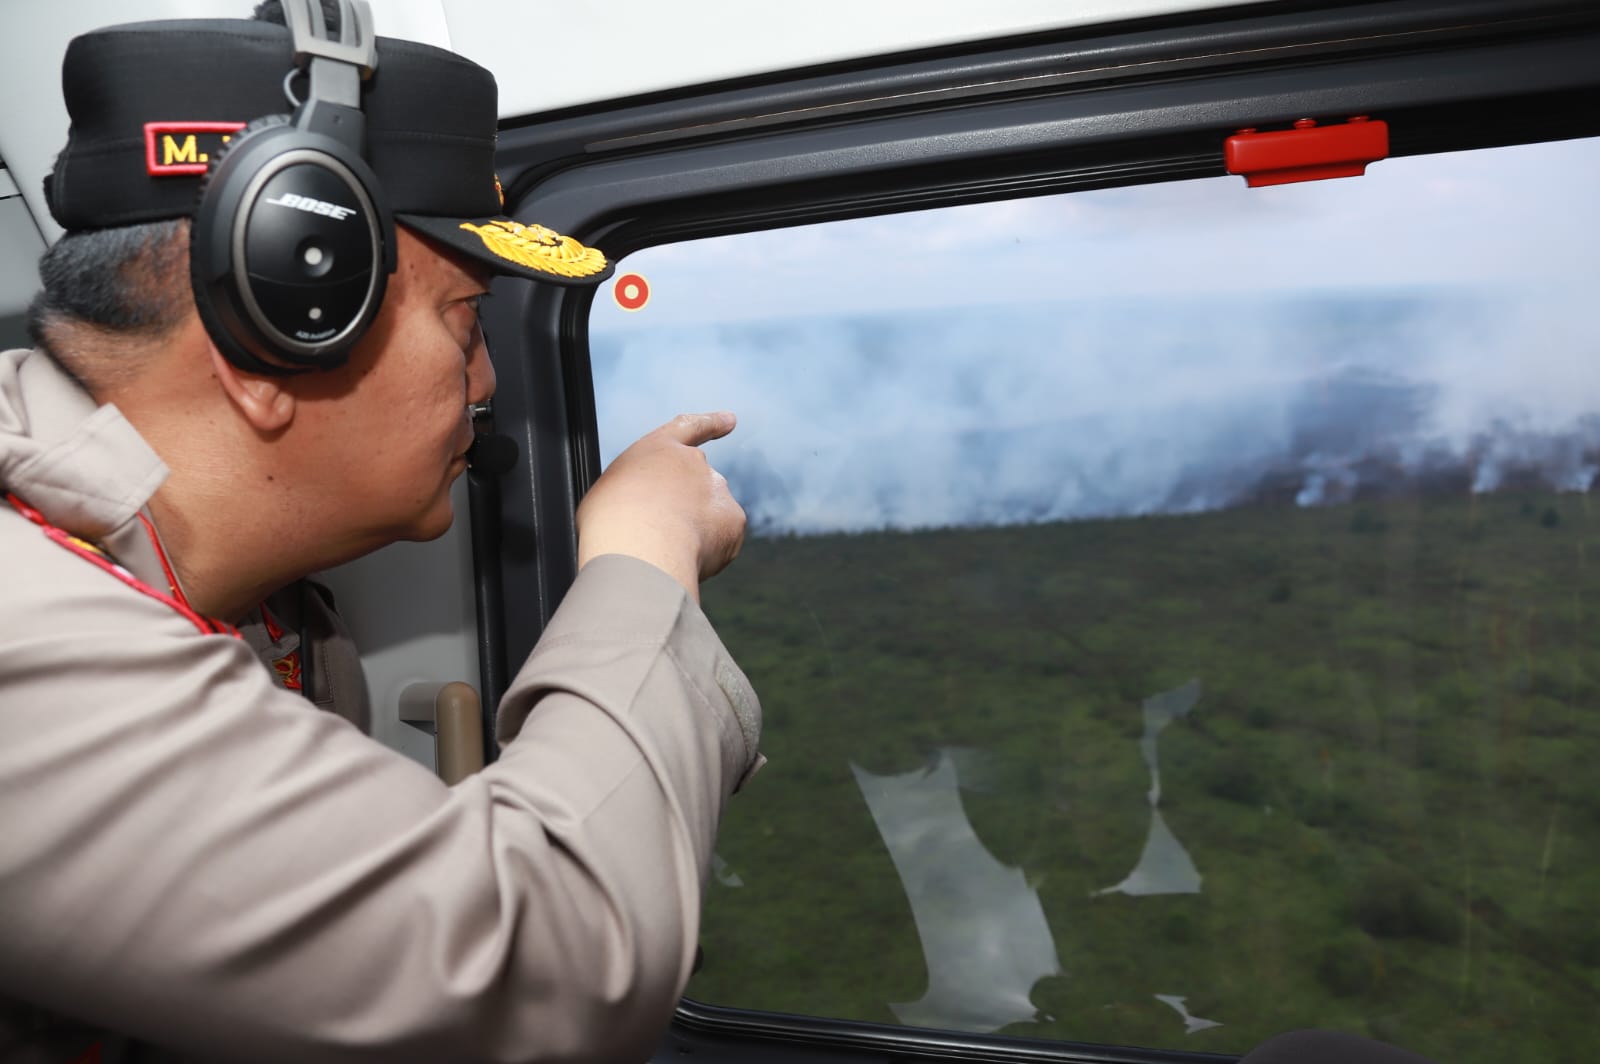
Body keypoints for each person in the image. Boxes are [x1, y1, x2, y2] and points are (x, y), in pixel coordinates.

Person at [0, 4, 761, 1062]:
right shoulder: (22, 638)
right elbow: (550, 964)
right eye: (464, 324)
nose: (487, 385)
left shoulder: (263, 614)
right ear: (280, 330)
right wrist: (644, 561)